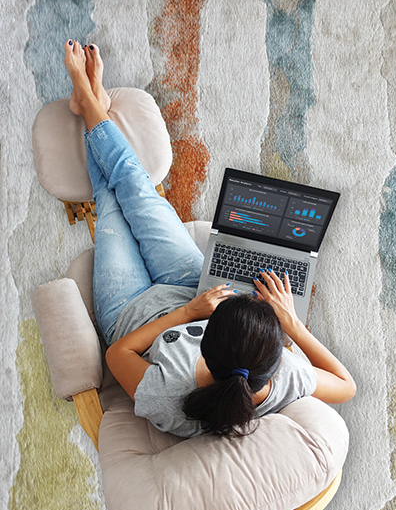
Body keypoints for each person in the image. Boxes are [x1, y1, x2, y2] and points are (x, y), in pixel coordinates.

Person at [63, 40, 356, 438]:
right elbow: (346, 386)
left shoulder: (169, 397)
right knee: (139, 189)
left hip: (132, 312)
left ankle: (88, 104)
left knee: (111, 201)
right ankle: (91, 106)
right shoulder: (280, 378)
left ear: (204, 346)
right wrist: (293, 325)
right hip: (190, 286)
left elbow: (118, 354)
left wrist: (187, 314)